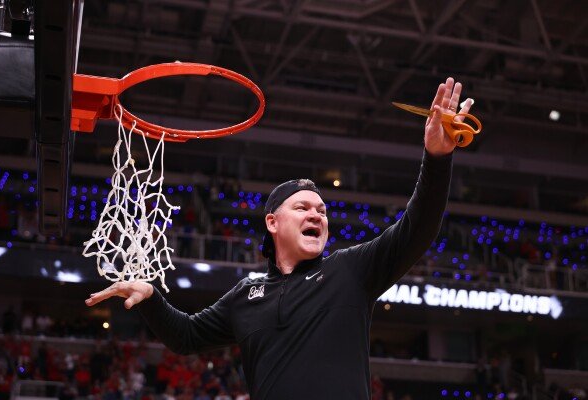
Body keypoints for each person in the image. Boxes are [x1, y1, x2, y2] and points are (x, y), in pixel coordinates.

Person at [86, 77, 474, 399]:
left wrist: (437, 159)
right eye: (303, 208)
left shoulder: (349, 270)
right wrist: (152, 298)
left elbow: (418, 228)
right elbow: (187, 336)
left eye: (321, 211)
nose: (316, 215)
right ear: (272, 222)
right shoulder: (245, 295)